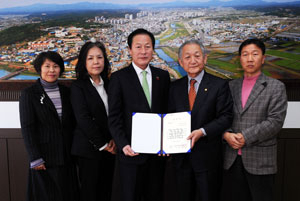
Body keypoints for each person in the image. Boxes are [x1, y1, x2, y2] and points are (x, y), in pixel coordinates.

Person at [222, 38, 288, 201]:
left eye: (255, 54)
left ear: (263, 58)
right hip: (231, 160)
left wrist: (245, 137)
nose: (250, 59)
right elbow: (222, 117)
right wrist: (226, 134)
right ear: (240, 59)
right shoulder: (231, 86)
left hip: (260, 161)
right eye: (245, 54)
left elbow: (275, 122)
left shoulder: (276, 87)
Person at [108, 28, 170, 201]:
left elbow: (167, 112)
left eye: (148, 47)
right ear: (130, 50)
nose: (143, 51)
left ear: (153, 49)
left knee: (155, 195)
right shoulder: (118, 78)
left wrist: (167, 143)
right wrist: (123, 144)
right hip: (131, 153)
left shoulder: (162, 76)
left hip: (157, 156)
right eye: (138, 47)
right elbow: (114, 117)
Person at [168, 40, 233, 201]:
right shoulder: (174, 87)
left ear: (205, 59)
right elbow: (169, 118)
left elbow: (226, 117)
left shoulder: (219, 85)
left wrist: (202, 132)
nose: (193, 60)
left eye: (197, 56)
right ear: (181, 62)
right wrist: (166, 142)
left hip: (208, 158)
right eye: (187, 57)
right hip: (181, 159)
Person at [19, 51, 79, 201]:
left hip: (67, 155)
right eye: (47, 66)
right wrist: (35, 158)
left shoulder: (66, 92)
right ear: (39, 69)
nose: (51, 70)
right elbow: (27, 127)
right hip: (44, 158)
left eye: (56, 66)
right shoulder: (29, 94)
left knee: (68, 195)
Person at [70, 41, 116, 201]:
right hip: (89, 151)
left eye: (99, 57)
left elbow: (115, 115)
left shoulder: (110, 84)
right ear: (83, 61)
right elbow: (84, 119)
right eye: (90, 58)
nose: (96, 62)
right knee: (90, 193)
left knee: (107, 191)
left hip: (112, 148)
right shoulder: (78, 87)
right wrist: (103, 145)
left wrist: (113, 141)